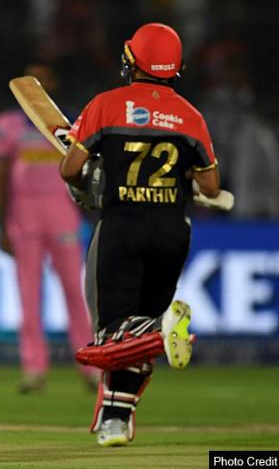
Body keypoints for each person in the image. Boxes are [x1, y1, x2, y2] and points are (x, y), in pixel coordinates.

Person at [60, 23, 220, 447]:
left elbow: (69, 168)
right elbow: (211, 187)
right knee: (136, 344)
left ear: (132, 60)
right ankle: (116, 419)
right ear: (176, 67)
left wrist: (89, 184)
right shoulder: (190, 115)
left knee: (113, 332)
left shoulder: (106, 104)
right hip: (172, 231)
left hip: (122, 227)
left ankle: (160, 326)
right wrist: (184, 176)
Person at [0, 63, 97, 394]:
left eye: (45, 79)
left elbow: (86, 169)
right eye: (33, 80)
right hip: (24, 216)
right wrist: (1, 225)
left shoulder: (70, 122)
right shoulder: (8, 123)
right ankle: (34, 369)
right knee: (28, 295)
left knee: (75, 293)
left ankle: (91, 367)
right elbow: (0, 175)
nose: (39, 86)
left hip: (63, 214)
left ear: (53, 83)